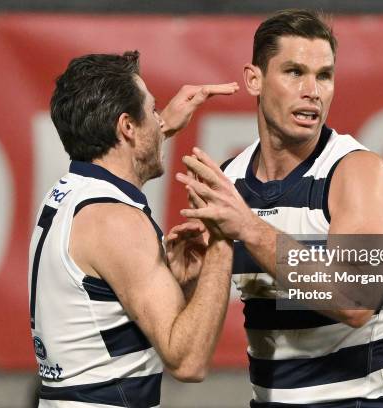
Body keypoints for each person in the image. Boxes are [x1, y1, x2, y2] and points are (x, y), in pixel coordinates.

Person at [175, 9, 383, 407]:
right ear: (254, 80)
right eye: (294, 72)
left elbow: (356, 300)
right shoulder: (230, 180)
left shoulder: (357, 172)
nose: (313, 90)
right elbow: (190, 334)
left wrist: (250, 230)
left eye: (324, 75)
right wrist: (185, 280)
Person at [28, 51, 239, 407]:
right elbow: (188, 361)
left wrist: (159, 129)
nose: (160, 120)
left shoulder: (67, 193)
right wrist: (223, 238)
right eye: (152, 111)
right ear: (127, 126)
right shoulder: (116, 221)